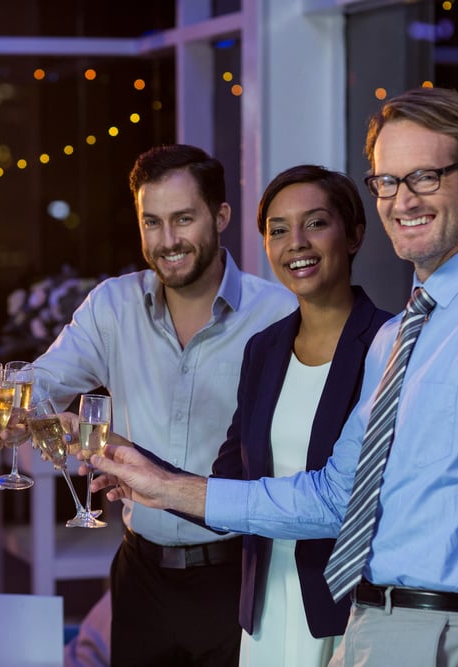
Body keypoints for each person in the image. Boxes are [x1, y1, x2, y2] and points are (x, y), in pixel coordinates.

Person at [90, 87, 458, 667]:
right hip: (375, 625)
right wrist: (160, 483)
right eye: (387, 181)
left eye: (424, 177)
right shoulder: (401, 335)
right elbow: (334, 498)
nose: (402, 200)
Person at [33, 143, 297, 666]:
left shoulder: (280, 313)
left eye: (183, 219)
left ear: (220, 216)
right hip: (141, 577)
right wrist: (36, 418)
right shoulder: (112, 306)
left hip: (241, 576)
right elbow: (42, 383)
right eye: (152, 222)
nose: (168, 240)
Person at [213, 165, 391, 665]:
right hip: (266, 607)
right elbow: (229, 479)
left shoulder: (390, 344)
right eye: (278, 229)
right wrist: (136, 471)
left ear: (354, 235)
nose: (296, 243)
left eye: (315, 223)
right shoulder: (263, 350)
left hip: (351, 613)